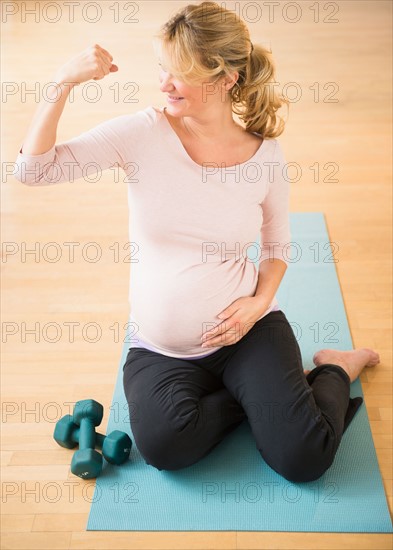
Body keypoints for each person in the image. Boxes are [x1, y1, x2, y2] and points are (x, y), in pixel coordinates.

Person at [14, 1, 380, 482]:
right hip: (161, 350)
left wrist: (258, 303)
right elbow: (33, 171)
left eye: (180, 73)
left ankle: (334, 369)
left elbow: (276, 247)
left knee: (304, 458)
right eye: (161, 68)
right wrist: (61, 83)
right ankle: (271, 398)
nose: (164, 83)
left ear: (226, 78)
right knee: (166, 446)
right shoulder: (142, 133)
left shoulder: (265, 155)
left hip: (247, 334)